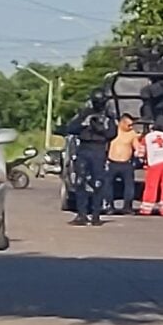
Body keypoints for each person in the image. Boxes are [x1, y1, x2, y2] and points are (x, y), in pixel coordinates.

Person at [64, 89, 117, 226]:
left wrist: (101, 127)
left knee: (98, 183)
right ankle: (81, 214)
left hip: (99, 150)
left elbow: (112, 134)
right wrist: (84, 123)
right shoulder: (85, 114)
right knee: (80, 181)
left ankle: (96, 215)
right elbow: (71, 128)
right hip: (84, 149)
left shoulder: (108, 117)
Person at [138, 122, 163, 217]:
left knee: (152, 185)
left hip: (155, 162)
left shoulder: (147, 137)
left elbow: (140, 152)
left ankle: (146, 209)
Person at [105, 113, 138, 214]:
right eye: (129, 125)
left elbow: (137, 146)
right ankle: (110, 206)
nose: (131, 127)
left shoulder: (132, 134)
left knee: (129, 185)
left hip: (126, 164)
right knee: (108, 184)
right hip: (112, 162)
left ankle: (127, 207)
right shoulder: (112, 132)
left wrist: (139, 151)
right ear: (122, 123)